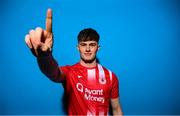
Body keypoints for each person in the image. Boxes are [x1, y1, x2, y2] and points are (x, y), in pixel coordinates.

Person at [25, 8, 123, 115]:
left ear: (98, 48)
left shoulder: (111, 76)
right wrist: (45, 56)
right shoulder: (70, 72)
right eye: (83, 45)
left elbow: (116, 110)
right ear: (78, 47)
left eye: (92, 45)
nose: (87, 49)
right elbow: (52, 73)